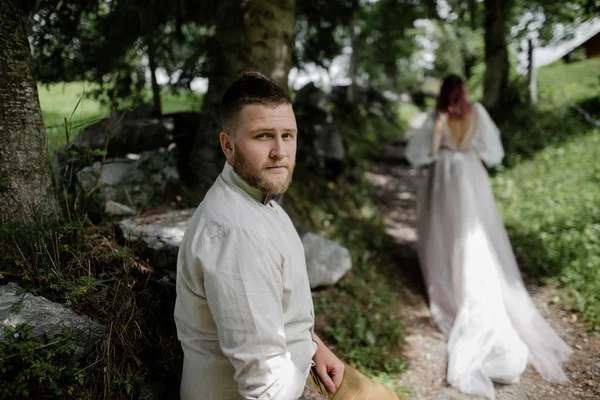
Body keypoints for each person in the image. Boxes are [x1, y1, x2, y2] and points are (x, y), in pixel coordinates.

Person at [174, 71, 399, 400]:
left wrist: (316, 348)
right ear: (228, 145)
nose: (280, 151)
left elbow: (276, 311)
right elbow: (264, 386)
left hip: (302, 367)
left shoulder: (257, 198)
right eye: (263, 136)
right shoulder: (237, 236)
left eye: (288, 136)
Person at [405, 74, 572, 399]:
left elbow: (417, 154)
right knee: (473, 232)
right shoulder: (477, 112)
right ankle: (470, 279)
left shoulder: (437, 117)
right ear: (463, 92)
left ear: (443, 93)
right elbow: (494, 152)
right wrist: (473, 150)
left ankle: (448, 284)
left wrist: (438, 154)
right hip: (469, 175)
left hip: (444, 177)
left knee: (445, 234)